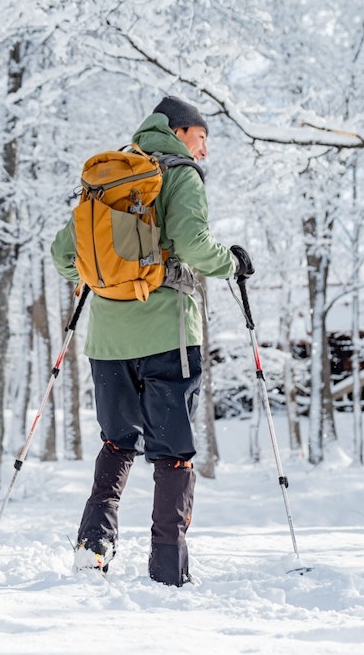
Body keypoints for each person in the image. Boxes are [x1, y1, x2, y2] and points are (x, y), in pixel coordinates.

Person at [50, 96, 255, 586]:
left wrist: (103, 282)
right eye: (202, 138)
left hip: (106, 342)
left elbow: (63, 254)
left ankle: (93, 549)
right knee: (172, 452)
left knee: (117, 442)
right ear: (182, 132)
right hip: (167, 335)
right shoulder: (180, 175)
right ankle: (167, 569)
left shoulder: (108, 179)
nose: (204, 152)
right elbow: (193, 245)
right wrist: (233, 262)